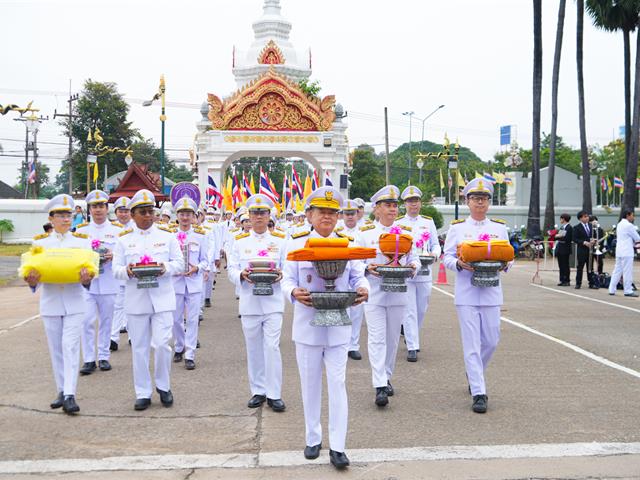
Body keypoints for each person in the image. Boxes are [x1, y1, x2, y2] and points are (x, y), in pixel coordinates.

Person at [281, 186, 369, 470]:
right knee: (309, 383)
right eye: (322, 212)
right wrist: (294, 292)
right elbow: (286, 278)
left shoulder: (347, 243)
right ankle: (312, 437)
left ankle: (339, 445)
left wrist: (364, 289)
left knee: (338, 382)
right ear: (309, 214)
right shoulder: (295, 243)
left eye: (333, 212)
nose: (328, 217)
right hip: (308, 323)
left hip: (338, 324)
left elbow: (359, 276)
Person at [112, 189, 184, 411]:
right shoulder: (124, 240)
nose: (147, 216)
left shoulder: (167, 236)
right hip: (136, 300)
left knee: (162, 345)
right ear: (132, 215)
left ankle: (163, 386)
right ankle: (142, 392)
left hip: (162, 299)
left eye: (150, 211)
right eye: (142, 212)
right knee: (140, 348)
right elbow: (115, 270)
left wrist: (165, 267)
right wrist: (128, 270)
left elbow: (179, 263)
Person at [442, 178, 510, 414]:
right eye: (475, 198)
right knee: (471, 342)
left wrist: (503, 266)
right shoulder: (457, 228)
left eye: (484, 198)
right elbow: (447, 257)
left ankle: (474, 371)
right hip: (467, 292)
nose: (479, 202)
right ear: (467, 201)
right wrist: (459, 264)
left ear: (489, 203)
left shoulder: (499, 228)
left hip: (491, 291)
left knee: (491, 340)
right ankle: (479, 392)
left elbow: (508, 259)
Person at [24, 194, 94, 414]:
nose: (65, 219)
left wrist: (87, 279)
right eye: (61, 215)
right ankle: (61, 390)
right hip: (51, 302)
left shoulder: (82, 241)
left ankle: (70, 394)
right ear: (51, 218)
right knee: (56, 349)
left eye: (68, 215)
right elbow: (33, 274)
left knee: (70, 345)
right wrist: (32, 281)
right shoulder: (40, 243)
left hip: (74, 302)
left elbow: (90, 273)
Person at [358, 185, 419, 407]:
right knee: (376, 338)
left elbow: (415, 258)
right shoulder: (365, 234)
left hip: (398, 292)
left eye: (394, 205)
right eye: (387, 205)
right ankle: (379, 385)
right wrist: (367, 268)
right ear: (376, 209)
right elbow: (356, 263)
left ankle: (387, 376)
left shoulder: (405, 233)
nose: (393, 209)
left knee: (392, 339)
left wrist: (413, 264)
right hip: (374, 292)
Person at [228, 194, 288, 412]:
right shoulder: (239, 242)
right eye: (255, 213)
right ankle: (258, 390)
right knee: (253, 348)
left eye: (263, 213)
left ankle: (274, 393)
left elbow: (288, 268)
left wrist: (282, 274)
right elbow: (231, 269)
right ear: (249, 217)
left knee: (272, 347)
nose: (259, 217)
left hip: (272, 302)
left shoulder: (281, 241)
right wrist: (241, 275)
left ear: (269, 216)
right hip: (250, 301)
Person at [76, 190, 123, 375]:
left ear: (107, 208)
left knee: (106, 321)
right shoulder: (81, 232)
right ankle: (88, 359)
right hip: (88, 284)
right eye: (94, 206)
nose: (98, 210)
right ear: (90, 209)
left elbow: (123, 254)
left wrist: (114, 255)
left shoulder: (118, 231)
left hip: (109, 281)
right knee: (86, 321)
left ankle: (103, 356)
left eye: (101, 206)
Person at [395, 186, 441, 362]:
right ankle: (413, 346)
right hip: (407, 271)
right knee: (409, 310)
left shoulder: (428, 222)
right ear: (405, 204)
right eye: (409, 201)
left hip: (425, 271)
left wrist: (434, 254)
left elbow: (436, 245)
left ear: (420, 204)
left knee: (421, 308)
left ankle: (410, 333)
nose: (413, 204)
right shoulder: (398, 224)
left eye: (416, 201)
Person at [171, 197, 209, 369]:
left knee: (192, 319)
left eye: (188, 214)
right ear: (177, 215)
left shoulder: (200, 236)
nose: (185, 217)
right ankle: (179, 346)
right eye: (182, 214)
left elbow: (205, 261)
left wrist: (197, 268)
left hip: (193, 283)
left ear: (194, 216)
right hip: (176, 282)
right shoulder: (170, 236)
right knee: (176, 319)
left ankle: (190, 353)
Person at [337, 199, 364, 360]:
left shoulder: (363, 232)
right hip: (340, 274)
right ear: (342, 215)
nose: (349, 217)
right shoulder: (336, 231)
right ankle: (341, 343)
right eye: (346, 214)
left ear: (357, 214)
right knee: (341, 311)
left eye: (352, 213)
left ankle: (353, 345)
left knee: (356, 311)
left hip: (358, 274)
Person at [110, 196, 133, 351]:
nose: (123, 214)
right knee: (117, 306)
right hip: (117, 273)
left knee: (132, 305)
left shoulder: (136, 228)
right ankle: (113, 338)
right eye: (120, 211)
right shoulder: (111, 230)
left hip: (133, 273)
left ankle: (132, 335)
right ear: (116, 212)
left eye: (126, 211)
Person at [608, 209, 640, 297]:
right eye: (632, 215)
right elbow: (637, 238)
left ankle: (611, 289)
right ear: (628, 215)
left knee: (617, 270)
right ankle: (628, 290)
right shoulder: (629, 225)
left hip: (619, 251)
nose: (633, 217)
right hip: (627, 252)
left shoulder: (619, 224)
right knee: (627, 271)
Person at [573, 210, 597, 289]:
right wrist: (584, 242)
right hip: (582, 250)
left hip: (590, 250)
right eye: (585, 217)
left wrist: (594, 240)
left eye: (587, 216)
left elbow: (595, 235)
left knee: (590, 267)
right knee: (580, 267)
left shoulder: (591, 226)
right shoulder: (576, 227)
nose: (587, 218)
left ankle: (591, 283)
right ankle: (578, 283)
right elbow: (575, 239)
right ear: (580, 218)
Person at [555, 213, 573, 286]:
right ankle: (562, 279)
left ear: (564, 219)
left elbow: (567, 238)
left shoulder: (569, 228)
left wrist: (559, 236)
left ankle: (566, 280)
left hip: (565, 249)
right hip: (560, 248)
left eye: (561, 218)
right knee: (561, 265)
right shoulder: (562, 227)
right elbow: (558, 237)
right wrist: (558, 236)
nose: (560, 220)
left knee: (565, 265)